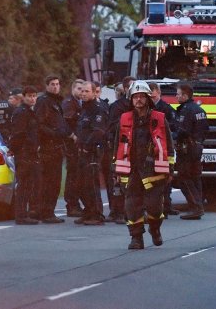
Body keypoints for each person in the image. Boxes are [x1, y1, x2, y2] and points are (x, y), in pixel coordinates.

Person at [114, 81, 174, 249]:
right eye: (135, 97)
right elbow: (117, 143)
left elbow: (168, 144)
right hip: (131, 169)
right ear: (131, 99)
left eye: (142, 96)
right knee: (132, 205)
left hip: (154, 169)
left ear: (148, 99)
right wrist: (116, 169)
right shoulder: (124, 119)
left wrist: (170, 169)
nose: (139, 100)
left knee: (154, 207)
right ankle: (136, 238)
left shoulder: (159, 119)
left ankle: (155, 229)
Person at [35, 75, 69, 224]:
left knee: (54, 181)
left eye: (57, 84)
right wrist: (54, 134)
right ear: (47, 86)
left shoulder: (57, 101)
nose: (55, 87)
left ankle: (49, 211)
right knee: (50, 182)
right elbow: (40, 124)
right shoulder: (44, 102)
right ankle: (46, 212)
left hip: (57, 146)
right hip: (48, 146)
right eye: (52, 84)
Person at [74, 81, 108, 225]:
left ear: (95, 93)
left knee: (92, 184)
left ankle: (96, 214)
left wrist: (87, 146)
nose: (83, 93)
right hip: (81, 151)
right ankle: (88, 211)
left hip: (92, 151)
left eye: (87, 91)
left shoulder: (97, 109)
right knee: (81, 183)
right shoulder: (85, 108)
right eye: (81, 91)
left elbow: (98, 131)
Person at [174, 82, 209, 220]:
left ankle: (195, 207)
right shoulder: (200, 110)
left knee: (184, 178)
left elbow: (182, 131)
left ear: (185, 95)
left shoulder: (186, 110)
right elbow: (206, 129)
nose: (176, 96)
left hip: (187, 148)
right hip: (197, 146)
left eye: (178, 94)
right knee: (195, 178)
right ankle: (198, 206)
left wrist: (169, 135)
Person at [8, 86, 40, 225]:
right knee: (24, 185)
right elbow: (18, 134)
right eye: (30, 96)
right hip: (24, 153)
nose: (32, 99)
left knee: (28, 185)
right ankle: (21, 215)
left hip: (30, 153)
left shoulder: (30, 112)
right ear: (24, 97)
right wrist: (15, 150)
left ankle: (24, 213)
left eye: (34, 96)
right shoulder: (22, 113)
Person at [105, 76, 135, 224]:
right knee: (117, 181)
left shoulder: (141, 105)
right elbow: (111, 128)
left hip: (136, 148)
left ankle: (130, 211)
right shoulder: (118, 106)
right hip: (121, 148)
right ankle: (116, 211)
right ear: (125, 89)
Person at [149, 82, 178, 216]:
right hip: (150, 149)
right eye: (150, 97)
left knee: (165, 178)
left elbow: (173, 126)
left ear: (159, 93)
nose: (152, 99)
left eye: (154, 97)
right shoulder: (145, 109)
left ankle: (166, 205)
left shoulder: (166, 108)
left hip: (163, 147)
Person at [62, 79, 85, 217]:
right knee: (73, 176)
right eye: (79, 89)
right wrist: (72, 136)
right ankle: (71, 205)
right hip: (71, 145)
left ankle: (75, 203)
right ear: (73, 89)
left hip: (79, 145)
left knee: (78, 176)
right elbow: (66, 123)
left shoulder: (81, 103)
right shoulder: (69, 103)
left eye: (83, 90)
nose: (81, 92)